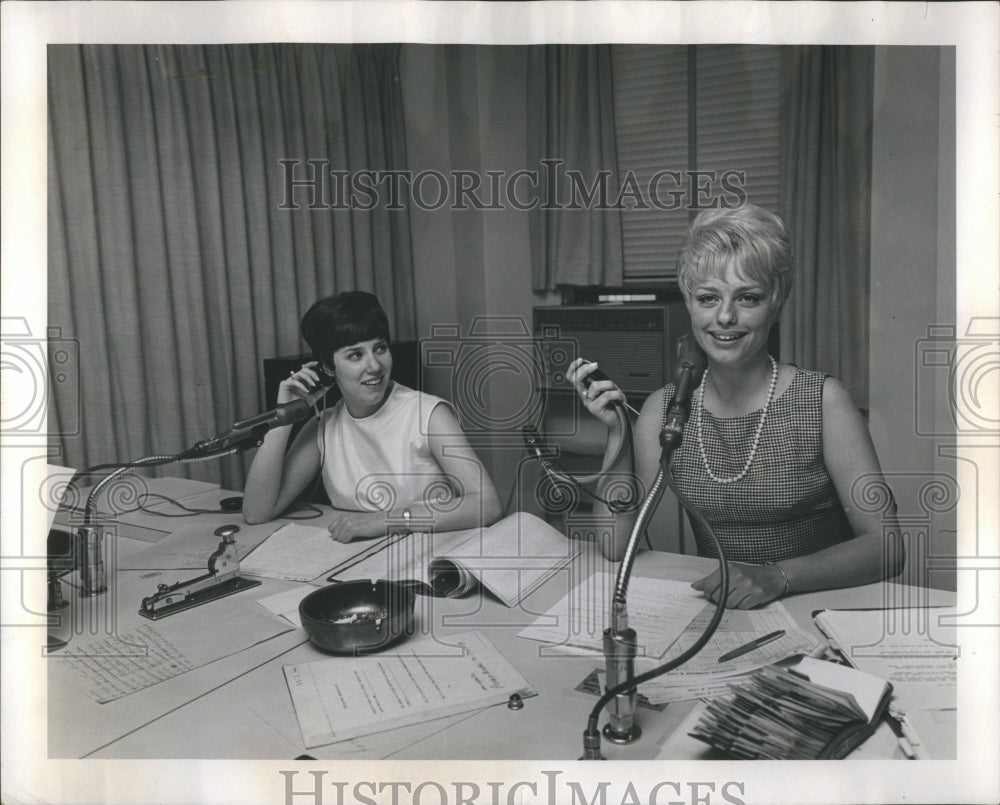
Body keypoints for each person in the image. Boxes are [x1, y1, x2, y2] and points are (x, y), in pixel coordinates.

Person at [567, 204, 903, 609]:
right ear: (690, 305)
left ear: (775, 303)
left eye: (747, 298)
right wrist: (617, 432)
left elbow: (887, 547)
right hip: (725, 612)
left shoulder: (824, 401)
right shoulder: (664, 410)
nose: (725, 317)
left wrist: (779, 576)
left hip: (822, 606)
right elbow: (615, 546)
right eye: (708, 298)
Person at [243, 291, 502, 540]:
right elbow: (257, 512)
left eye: (380, 348)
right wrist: (283, 414)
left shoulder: (429, 414)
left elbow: (487, 504)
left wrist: (386, 521)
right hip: (360, 560)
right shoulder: (322, 426)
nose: (375, 366)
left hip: (428, 557)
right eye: (356, 355)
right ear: (327, 367)